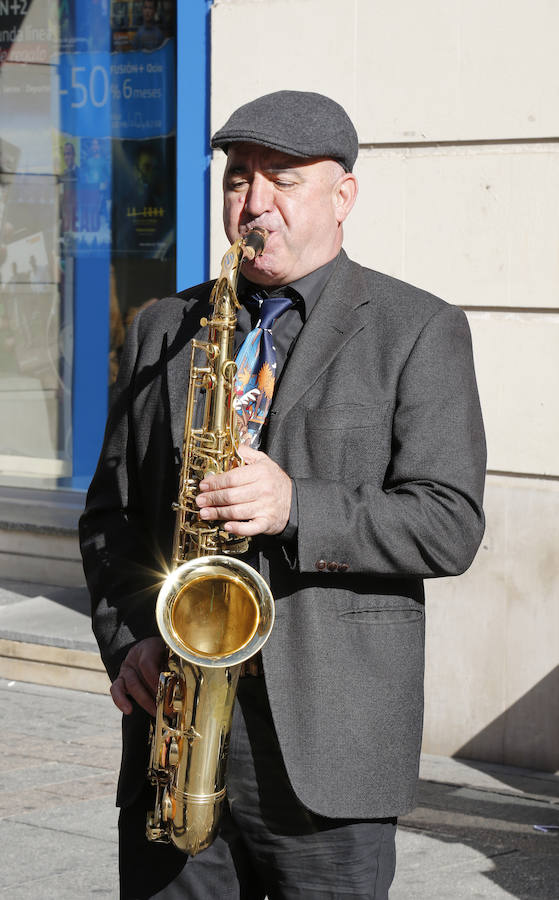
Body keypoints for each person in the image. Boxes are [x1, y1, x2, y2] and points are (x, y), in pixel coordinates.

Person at [80, 90, 486, 899]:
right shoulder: (166, 326)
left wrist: (297, 505)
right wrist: (129, 636)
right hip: (176, 723)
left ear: (343, 197)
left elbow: (449, 524)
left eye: (283, 179)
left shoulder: (416, 328)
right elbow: (111, 515)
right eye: (238, 178)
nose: (252, 203)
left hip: (328, 745)